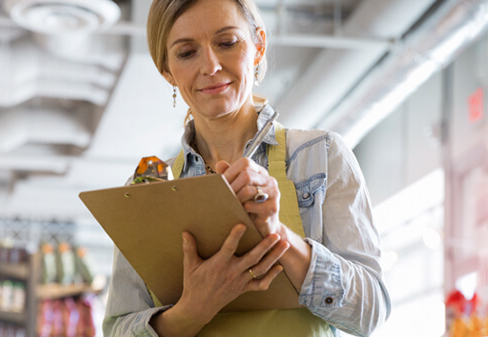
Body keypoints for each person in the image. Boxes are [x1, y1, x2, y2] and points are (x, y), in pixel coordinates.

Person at [103, 0, 391, 336]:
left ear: (258, 46)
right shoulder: (147, 190)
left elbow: (371, 312)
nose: (210, 66)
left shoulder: (321, 158)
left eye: (227, 43)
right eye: (186, 52)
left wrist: (277, 235)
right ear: (167, 70)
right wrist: (191, 311)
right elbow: (117, 330)